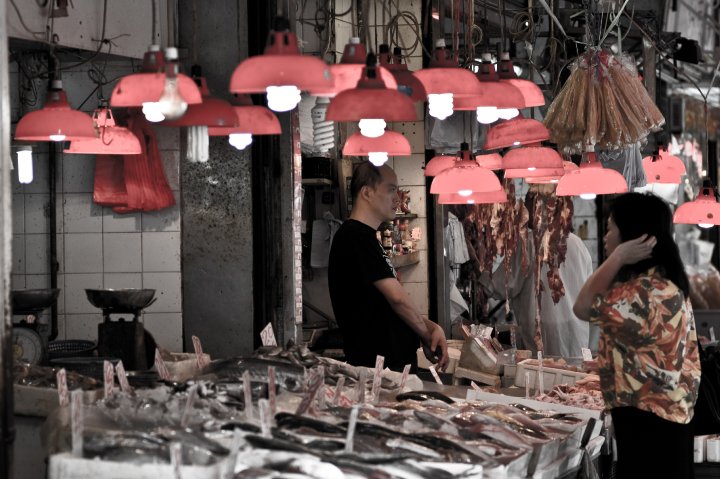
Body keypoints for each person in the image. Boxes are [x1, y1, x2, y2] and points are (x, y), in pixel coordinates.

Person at [573, 192, 701, 479]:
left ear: (631, 238)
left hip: (650, 432)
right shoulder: (662, 283)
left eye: (610, 229)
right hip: (663, 430)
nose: (605, 238)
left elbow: (581, 306)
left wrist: (617, 257)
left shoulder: (644, 292)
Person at [328, 163, 449, 372]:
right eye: (391, 189)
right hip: (377, 370)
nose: (398, 198)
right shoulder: (355, 237)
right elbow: (398, 299)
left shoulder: (366, 238)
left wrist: (432, 327)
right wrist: (427, 335)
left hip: (388, 368)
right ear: (367, 192)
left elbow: (386, 305)